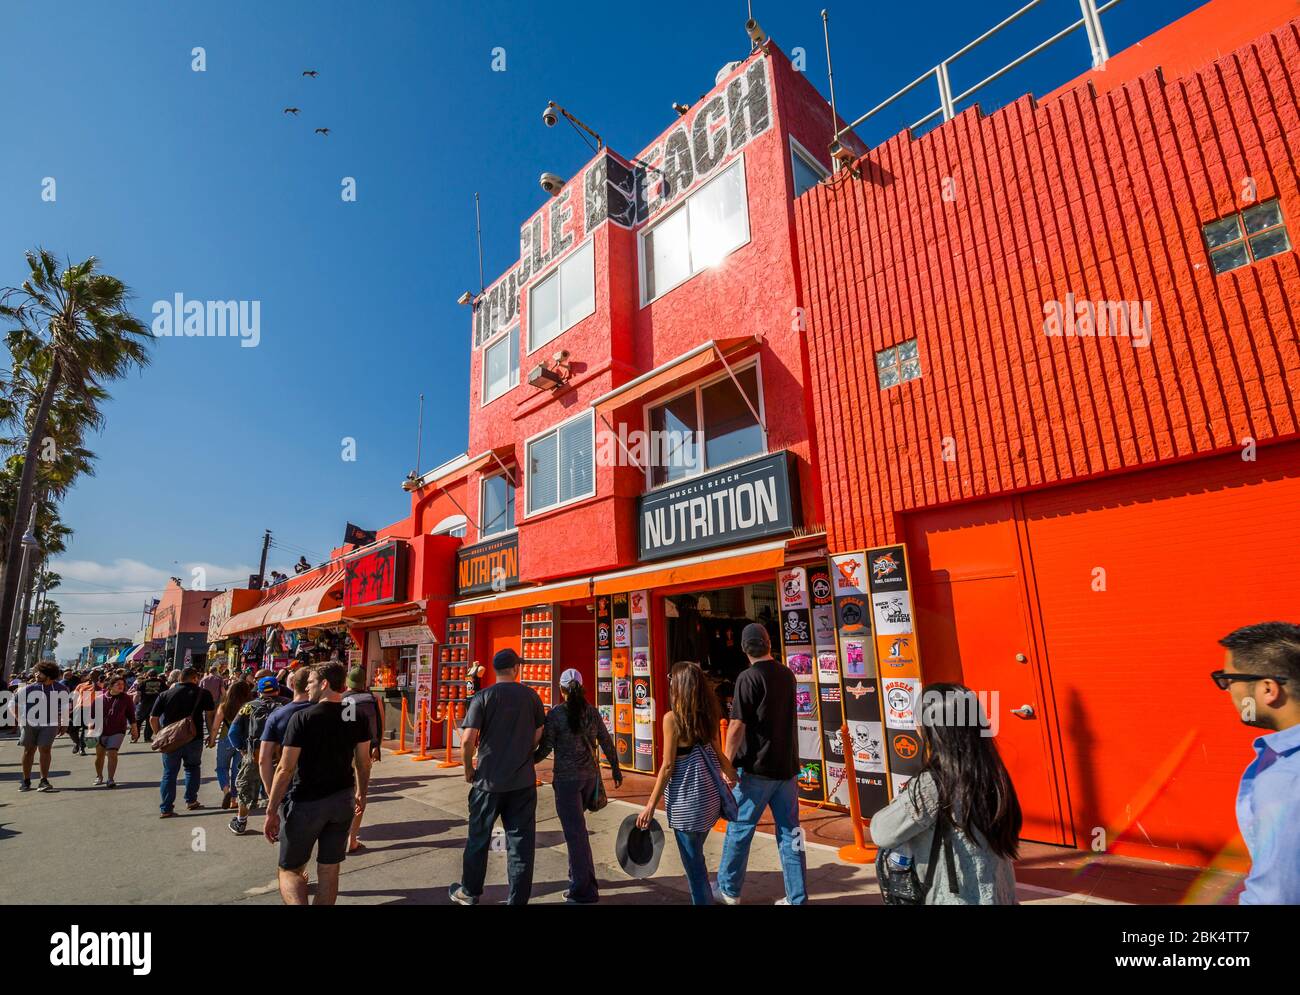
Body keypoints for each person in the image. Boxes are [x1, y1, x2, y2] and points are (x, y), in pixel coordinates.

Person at [869, 682, 1021, 904]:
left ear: (936, 730)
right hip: (999, 894)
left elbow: (882, 832)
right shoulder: (992, 772)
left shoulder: (934, 784)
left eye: (919, 720)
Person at [263, 661, 373, 905]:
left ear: (324, 684)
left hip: (306, 803)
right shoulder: (356, 714)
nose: (308, 688)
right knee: (329, 871)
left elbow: (285, 767)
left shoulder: (303, 718)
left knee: (290, 869)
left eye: (311, 682)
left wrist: (271, 810)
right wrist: (361, 793)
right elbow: (364, 762)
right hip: (342, 799)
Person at [714, 623, 808, 905]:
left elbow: (736, 726)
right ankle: (797, 897)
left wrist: (727, 765)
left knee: (739, 830)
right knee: (791, 834)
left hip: (756, 770)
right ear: (769, 644)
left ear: (744, 648)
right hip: (787, 768)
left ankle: (729, 890)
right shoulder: (788, 675)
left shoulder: (747, 677)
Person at [449, 648, 546, 906]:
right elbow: (539, 733)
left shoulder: (483, 697)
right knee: (521, 844)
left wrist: (468, 768)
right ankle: (517, 899)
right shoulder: (531, 696)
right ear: (515, 669)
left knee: (478, 839)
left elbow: (468, 740)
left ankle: (469, 891)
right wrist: (524, 748)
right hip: (523, 782)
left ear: (495, 669)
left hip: (487, 782)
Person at [637, 661, 737, 905]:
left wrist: (651, 805)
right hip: (709, 799)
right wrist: (731, 773)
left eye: (672, 679)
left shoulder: (672, 719)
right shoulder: (710, 714)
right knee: (697, 857)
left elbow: (668, 766)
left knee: (694, 870)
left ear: (679, 686)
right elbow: (717, 751)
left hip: (686, 803)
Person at [1216, 622, 1300, 904]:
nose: (1228, 692)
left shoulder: (1286, 779)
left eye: (1228, 681)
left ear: (1268, 689)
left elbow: (1275, 898)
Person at [535, 669, 622, 904]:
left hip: (566, 781)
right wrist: (615, 768)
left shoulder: (555, 715)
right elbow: (605, 740)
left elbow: (545, 748)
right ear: (582, 687)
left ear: (562, 690)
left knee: (575, 835)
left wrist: (526, 761)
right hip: (589, 779)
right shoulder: (592, 712)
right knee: (577, 832)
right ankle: (578, 877)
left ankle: (583, 890)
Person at [150, 666, 217, 818]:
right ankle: (191, 800)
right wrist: (212, 736)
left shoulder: (165, 694)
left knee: (169, 773)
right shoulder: (203, 693)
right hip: (194, 737)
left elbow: (153, 719)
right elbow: (209, 716)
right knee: (192, 768)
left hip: (171, 740)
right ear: (195, 678)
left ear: (180, 678)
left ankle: (166, 808)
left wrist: (159, 734)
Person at [227, 675, 289, 835]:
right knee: (283, 788)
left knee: (246, 789)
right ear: (278, 689)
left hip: (254, 753)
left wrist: (242, 749)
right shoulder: (288, 705)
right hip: (282, 755)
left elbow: (233, 732)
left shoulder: (248, 706)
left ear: (259, 691)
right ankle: (282, 824)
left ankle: (241, 822)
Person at [341, 665, 384, 854]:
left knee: (343, 791)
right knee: (361, 793)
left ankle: (341, 834)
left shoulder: (340, 699)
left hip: (343, 752)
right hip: (365, 751)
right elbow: (381, 726)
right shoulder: (374, 699)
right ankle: (352, 838)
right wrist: (377, 746)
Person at [17, 661, 67, 792]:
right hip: (30, 723)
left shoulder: (61, 689)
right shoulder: (29, 688)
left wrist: (64, 723)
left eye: (40, 672)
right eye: (36, 672)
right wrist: (19, 719)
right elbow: (14, 703)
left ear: (49, 675)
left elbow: (65, 707)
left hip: (50, 723)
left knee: (45, 749)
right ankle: (26, 781)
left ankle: (43, 780)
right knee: (29, 751)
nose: (37, 674)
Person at [209, 678, 253, 809]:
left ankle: (226, 790)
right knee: (237, 770)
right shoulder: (250, 706)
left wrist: (211, 740)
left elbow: (216, 726)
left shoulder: (224, 706)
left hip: (225, 739)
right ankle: (234, 799)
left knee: (222, 768)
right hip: (243, 741)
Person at [92, 675, 135, 787]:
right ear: (111, 686)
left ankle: (110, 779)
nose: (121, 686)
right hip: (100, 731)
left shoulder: (126, 698)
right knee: (99, 755)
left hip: (118, 730)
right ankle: (99, 776)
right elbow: (91, 717)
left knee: (112, 753)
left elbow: (131, 715)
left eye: (122, 684)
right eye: (118, 684)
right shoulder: (99, 699)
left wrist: (135, 730)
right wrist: (90, 730)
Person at [68, 669, 100, 756]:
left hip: (91, 710)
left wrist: (95, 682)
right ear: (88, 675)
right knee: (71, 729)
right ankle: (77, 743)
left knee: (85, 729)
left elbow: (99, 692)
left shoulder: (99, 685)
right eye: (92, 674)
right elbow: (74, 697)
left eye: (95, 675)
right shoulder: (81, 685)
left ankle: (82, 748)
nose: (93, 676)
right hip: (79, 709)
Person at [133, 668, 165, 742]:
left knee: (138, 721)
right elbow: (165, 693)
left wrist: (134, 703)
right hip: (155, 704)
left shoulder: (143, 682)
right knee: (149, 721)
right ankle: (147, 738)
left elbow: (138, 694)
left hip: (144, 704)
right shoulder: (161, 682)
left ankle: (135, 738)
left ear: (148, 675)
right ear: (156, 675)